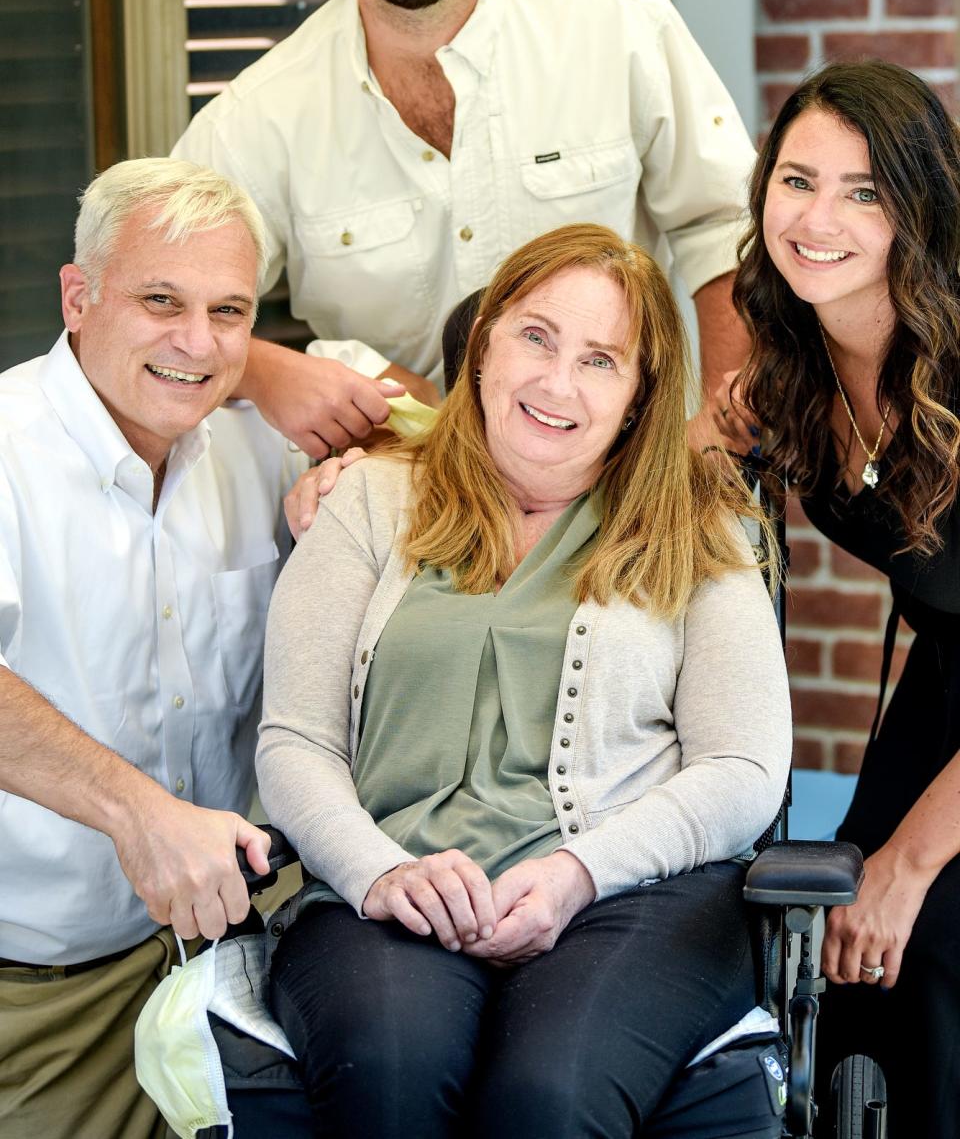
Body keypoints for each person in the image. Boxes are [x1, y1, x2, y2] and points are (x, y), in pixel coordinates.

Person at [256, 223, 792, 1137]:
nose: (556, 384)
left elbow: (744, 767)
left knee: (548, 1094)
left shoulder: (703, 529)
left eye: (600, 360)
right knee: (389, 1067)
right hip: (395, 887)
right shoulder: (372, 500)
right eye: (536, 337)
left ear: (639, 397)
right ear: (484, 346)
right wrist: (381, 873)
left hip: (634, 895)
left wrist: (579, 872)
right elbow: (297, 739)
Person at [173, 0, 756, 460]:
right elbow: (153, 299)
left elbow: (724, 226)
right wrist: (262, 368)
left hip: (632, 477)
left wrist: (721, 441)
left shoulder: (618, 22)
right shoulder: (260, 115)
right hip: (406, 496)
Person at [0, 159, 309, 1139]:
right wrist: (139, 813)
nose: (198, 342)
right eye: (161, 301)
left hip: (238, 960)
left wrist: (360, 481)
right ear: (79, 296)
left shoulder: (262, 452)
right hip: (43, 995)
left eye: (229, 310)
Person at [713, 61, 960, 1138]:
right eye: (797, 180)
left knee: (928, 929)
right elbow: (647, 469)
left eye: (864, 192)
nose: (818, 219)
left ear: (920, 210)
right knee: (834, 940)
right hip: (949, 676)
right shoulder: (794, 366)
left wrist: (915, 860)